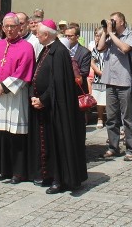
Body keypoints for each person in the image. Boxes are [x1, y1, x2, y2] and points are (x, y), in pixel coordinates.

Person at [28, 20, 88, 194]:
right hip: (45, 106)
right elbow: (37, 74)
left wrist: (43, 99)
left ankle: (60, 179)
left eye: (38, 33)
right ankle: (48, 174)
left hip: (57, 107)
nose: (36, 35)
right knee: (47, 142)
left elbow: (58, 83)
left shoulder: (59, 52)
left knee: (58, 143)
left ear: (46, 35)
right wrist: (34, 95)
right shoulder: (46, 49)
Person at [0, 12, 36, 183]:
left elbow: (24, 71)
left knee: (15, 134)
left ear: (19, 27)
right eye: (6, 26)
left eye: (12, 26)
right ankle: (0, 169)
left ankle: (18, 172)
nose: (9, 30)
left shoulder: (26, 47)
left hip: (14, 95)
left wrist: (4, 86)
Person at [95, 11, 132, 161]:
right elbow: (100, 48)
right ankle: (113, 147)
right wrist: (105, 32)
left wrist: (112, 35)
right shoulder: (109, 36)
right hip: (110, 81)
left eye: (113, 21)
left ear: (121, 22)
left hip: (125, 81)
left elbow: (125, 49)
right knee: (111, 118)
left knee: (128, 117)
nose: (111, 23)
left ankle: (131, 150)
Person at [89, 28, 107, 129]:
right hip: (98, 77)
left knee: (108, 99)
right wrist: (99, 72)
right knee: (99, 99)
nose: (97, 38)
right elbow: (92, 62)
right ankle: (100, 118)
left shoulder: (109, 48)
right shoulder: (95, 49)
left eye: (99, 36)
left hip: (109, 77)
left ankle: (109, 118)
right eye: (96, 35)